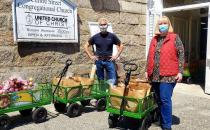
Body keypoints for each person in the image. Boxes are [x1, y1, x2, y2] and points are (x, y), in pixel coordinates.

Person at [145, 16, 184, 130]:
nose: (162, 25)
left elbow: (181, 54)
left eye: (165, 23)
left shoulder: (174, 37)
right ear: (158, 26)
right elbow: (149, 56)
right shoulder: (154, 39)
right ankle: (161, 119)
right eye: (160, 23)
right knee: (158, 99)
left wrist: (180, 72)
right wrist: (147, 71)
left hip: (169, 75)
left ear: (169, 24)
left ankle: (167, 126)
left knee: (165, 99)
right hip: (155, 75)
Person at [84, 18, 124, 86]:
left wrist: (116, 56)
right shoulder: (95, 37)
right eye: (101, 25)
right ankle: (103, 95)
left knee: (112, 79)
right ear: (99, 26)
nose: (103, 26)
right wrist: (91, 56)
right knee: (101, 80)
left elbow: (121, 45)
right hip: (98, 60)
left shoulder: (112, 36)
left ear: (107, 25)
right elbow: (85, 46)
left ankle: (111, 94)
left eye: (104, 24)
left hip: (109, 61)